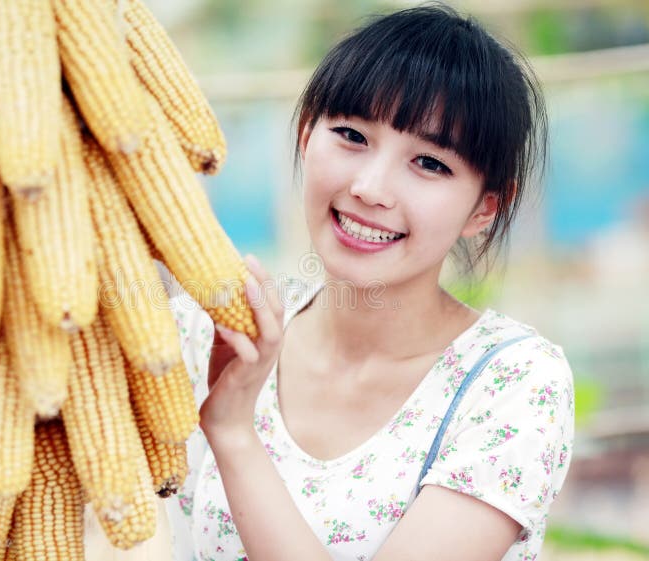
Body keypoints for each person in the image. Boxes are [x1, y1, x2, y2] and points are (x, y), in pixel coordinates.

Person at [158, 4, 575, 560]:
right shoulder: (213, 334)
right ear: (308, 135)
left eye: (430, 164)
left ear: (486, 208)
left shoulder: (514, 383)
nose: (371, 188)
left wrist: (234, 432)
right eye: (352, 134)